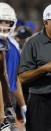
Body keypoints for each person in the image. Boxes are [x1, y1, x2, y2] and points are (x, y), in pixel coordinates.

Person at [18, 3, 51, 131]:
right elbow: (22, 77)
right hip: (41, 103)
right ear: (46, 22)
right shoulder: (32, 43)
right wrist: (43, 69)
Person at [0, 2, 23, 130]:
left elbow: (11, 77)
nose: (4, 26)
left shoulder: (13, 45)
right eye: (1, 21)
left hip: (9, 99)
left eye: (7, 22)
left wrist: (17, 105)